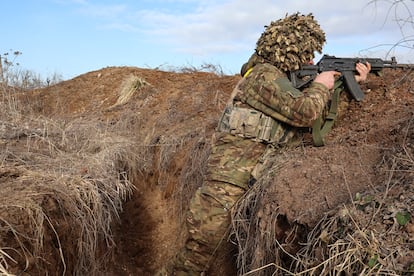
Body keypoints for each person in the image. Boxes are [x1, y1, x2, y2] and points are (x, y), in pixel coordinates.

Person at [159, 12, 371, 275]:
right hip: (223, 189)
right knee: (194, 259)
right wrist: (320, 84)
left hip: (243, 184)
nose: (310, 60)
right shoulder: (263, 77)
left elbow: (311, 122)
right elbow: (305, 111)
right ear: (286, 50)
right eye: (305, 53)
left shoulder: (277, 80)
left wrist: (346, 85)